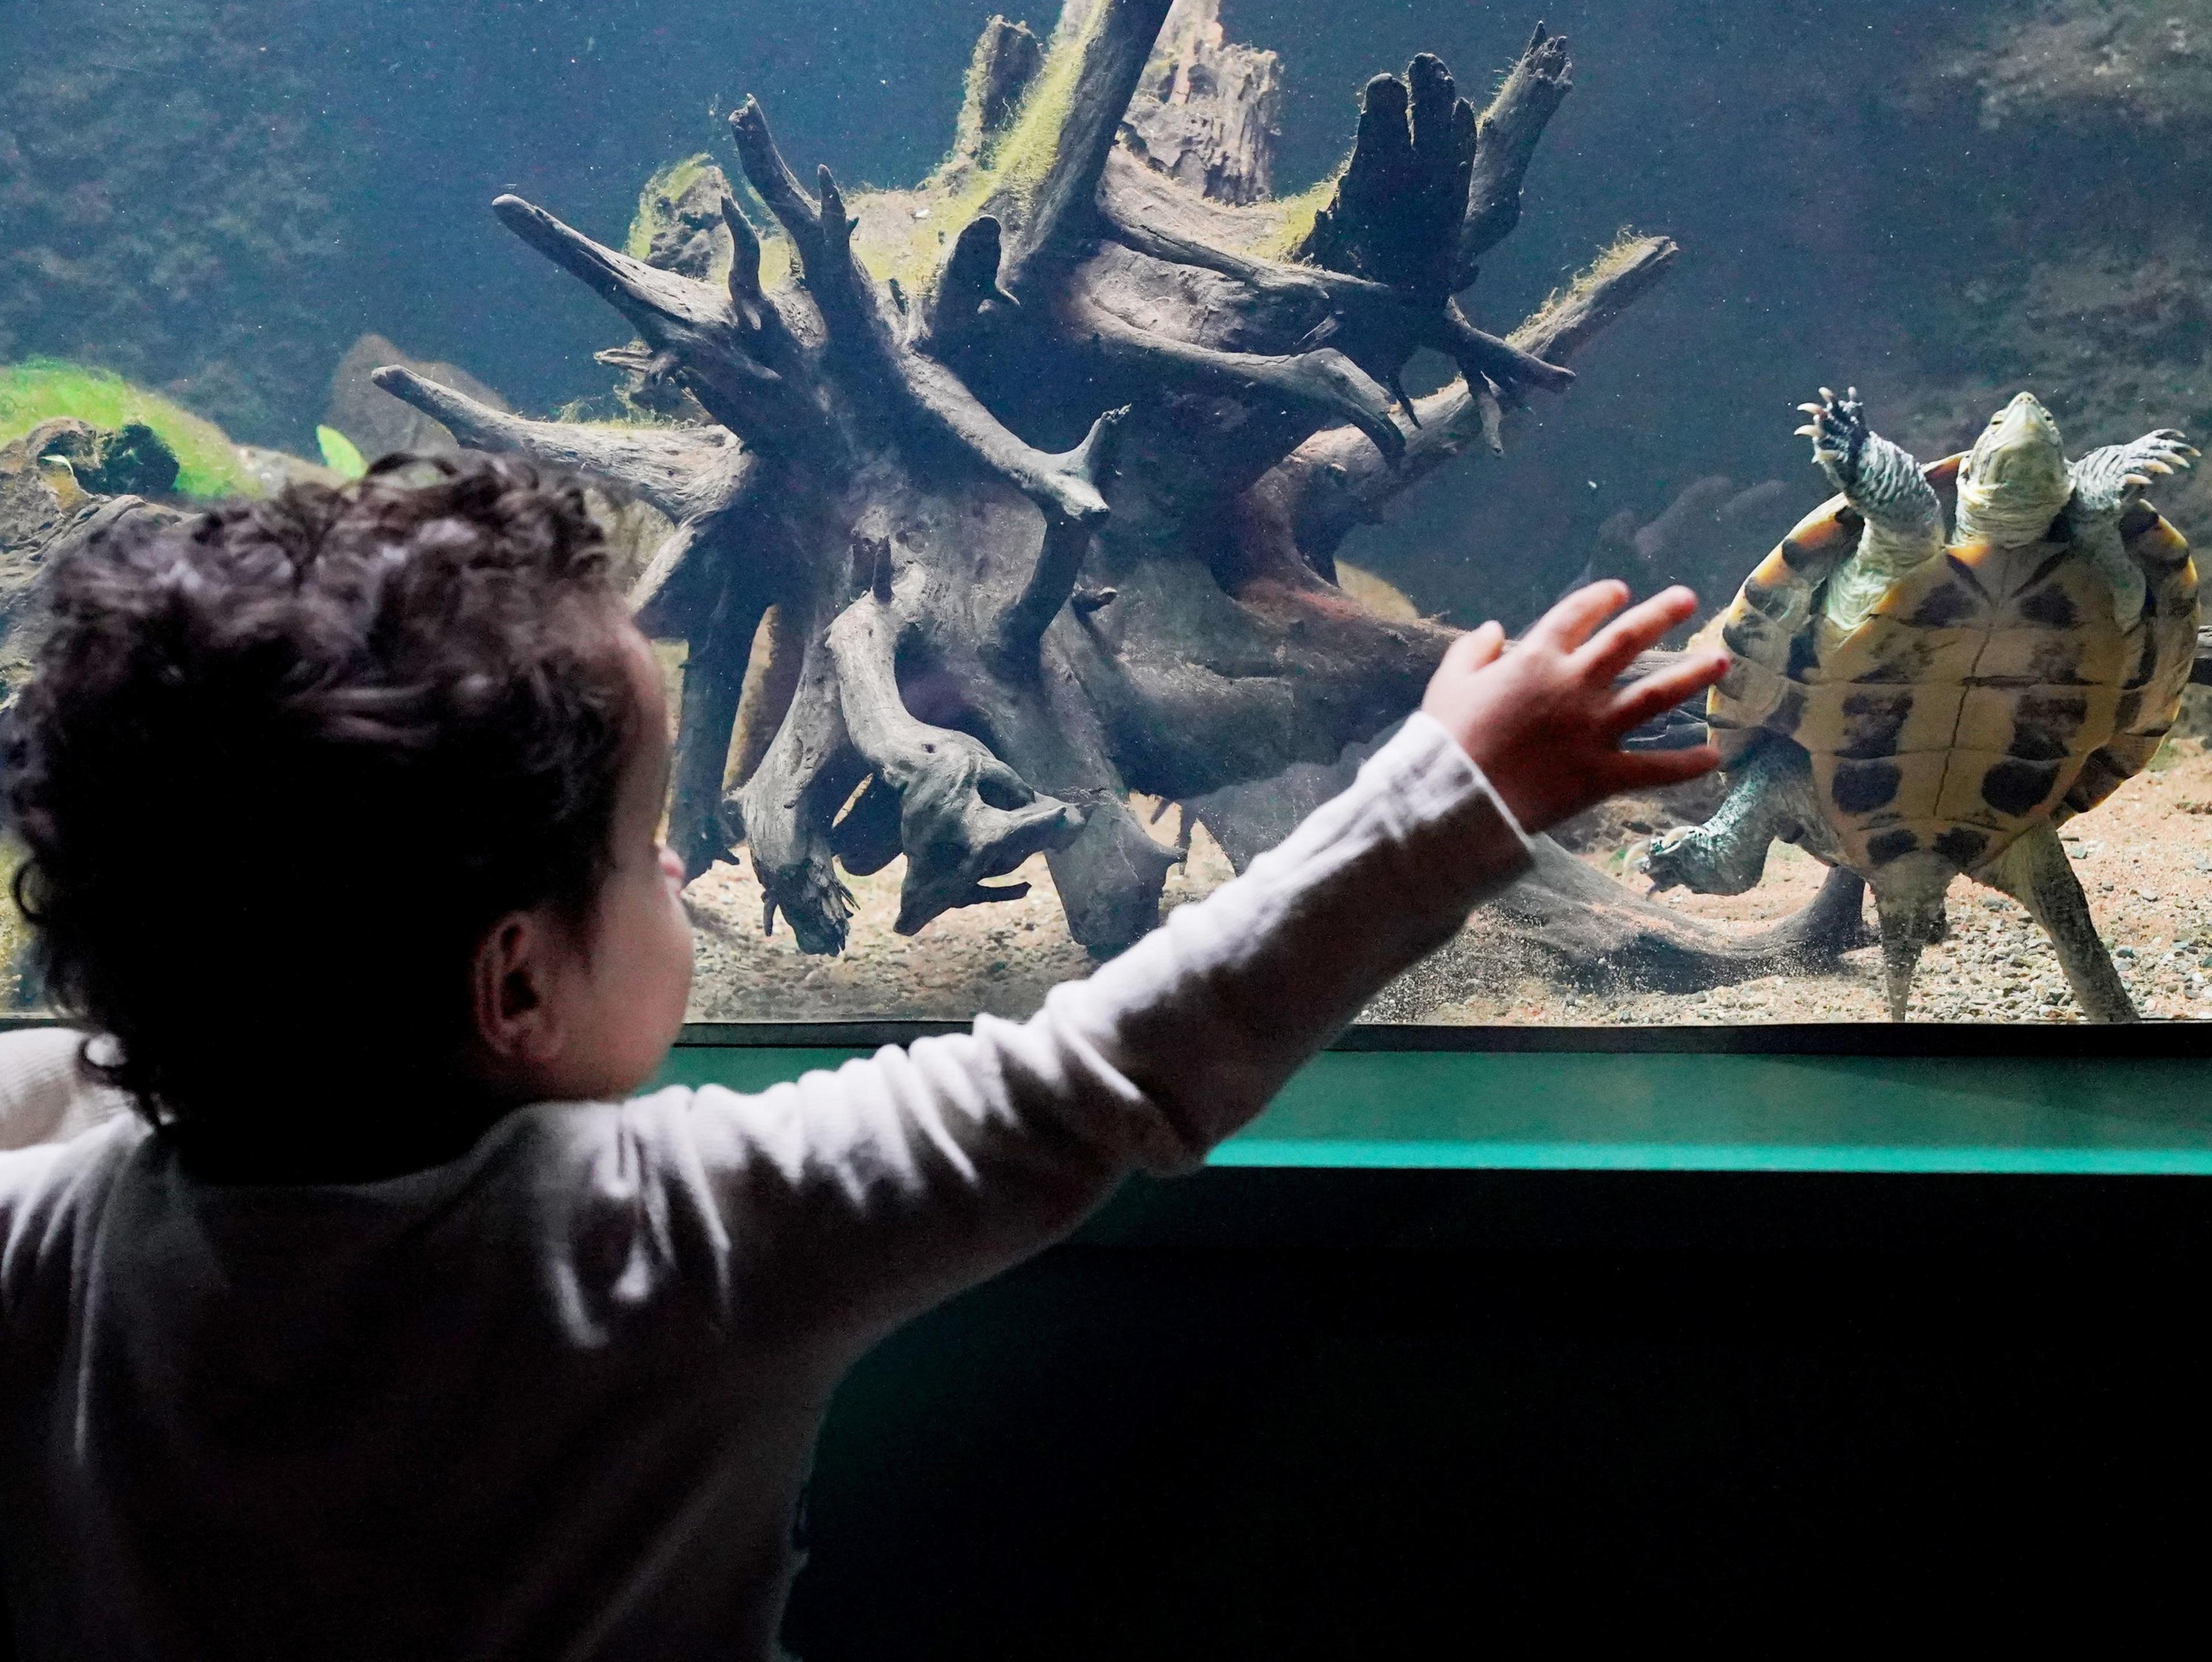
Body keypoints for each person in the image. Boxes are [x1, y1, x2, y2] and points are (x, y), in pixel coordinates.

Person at [0, 456, 1724, 1659]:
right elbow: (1097, 1079)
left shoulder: (52, 1244)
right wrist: (1457, 791)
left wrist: (167, 1000)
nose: (674, 872)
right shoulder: (669, 1232)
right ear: (514, 985)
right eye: (636, 846)